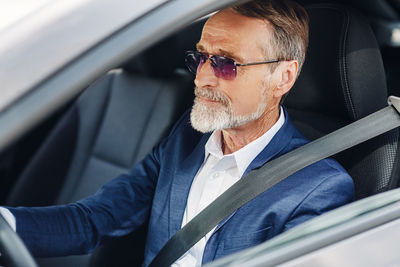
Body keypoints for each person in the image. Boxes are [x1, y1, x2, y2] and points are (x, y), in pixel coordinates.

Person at [1, 0, 354, 266]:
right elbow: (96, 219)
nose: (201, 78)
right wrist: (7, 225)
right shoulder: (185, 140)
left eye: (226, 63)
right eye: (201, 57)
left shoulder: (318, 188)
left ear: (283, 78)